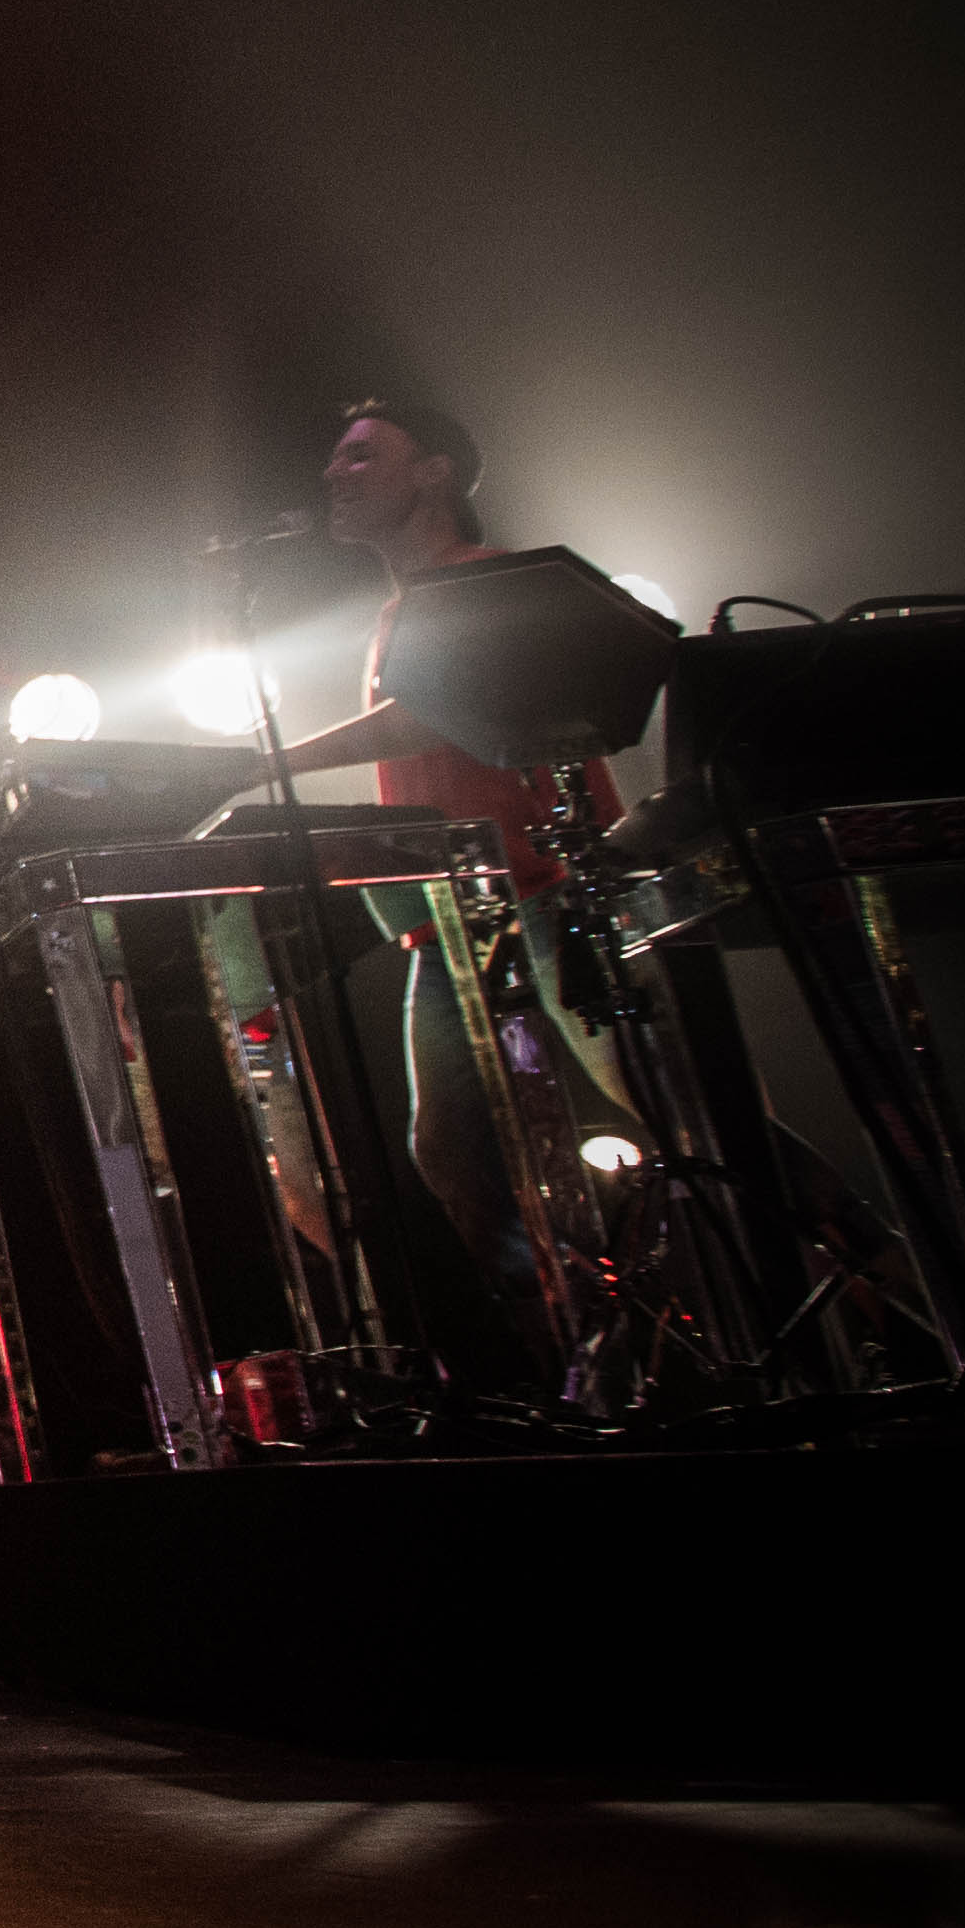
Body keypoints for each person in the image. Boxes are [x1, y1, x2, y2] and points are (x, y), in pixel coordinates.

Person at [256, 399, 624, 1367]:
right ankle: (570, 1359)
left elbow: (429, 720)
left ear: (436, 473)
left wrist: (261, 770)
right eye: (333, 457)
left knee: (666, 1099)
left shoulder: (490, 582)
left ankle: (874, 1269)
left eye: (361, 454)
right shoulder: (392, 613)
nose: (335, 471)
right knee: (451, 1151)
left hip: (550, 898)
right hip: (452, 930)